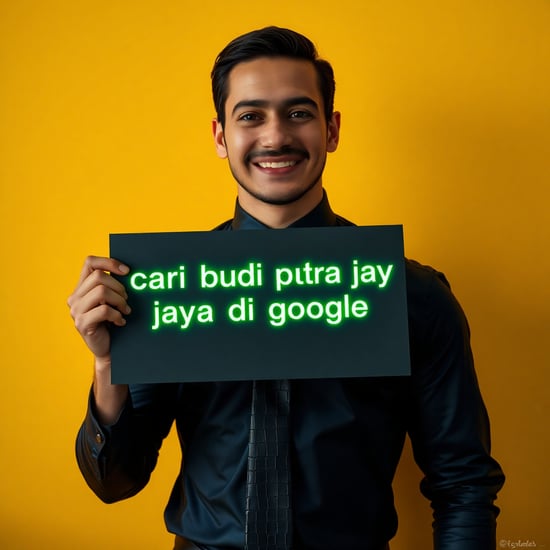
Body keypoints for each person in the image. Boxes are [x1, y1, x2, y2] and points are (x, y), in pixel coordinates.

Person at [69, 26, 504, 550]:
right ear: (220, 136)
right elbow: (115, 482)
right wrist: (107, 364)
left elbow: (463, 486)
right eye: (250, 116)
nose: (275, 137)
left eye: (299, 113)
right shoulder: (166, 289)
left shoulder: (413, 296)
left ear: (332, 129)